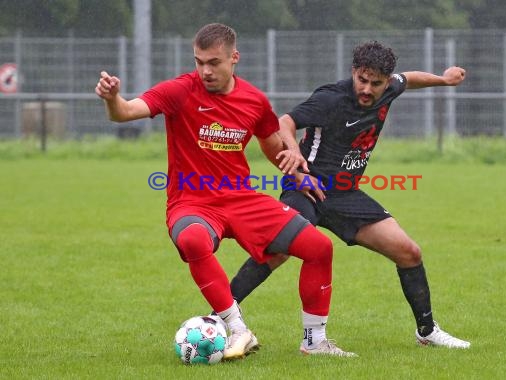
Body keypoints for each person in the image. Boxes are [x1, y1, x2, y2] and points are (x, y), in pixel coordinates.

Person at [95, 23, 355, 358]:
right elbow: (125, 112)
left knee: (318, 247)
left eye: (213, 62)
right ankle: (238, 329)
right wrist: (112, 98)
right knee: (192, 240)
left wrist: (297, 170)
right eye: (199, 61)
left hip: (241, 198)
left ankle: (314, 341)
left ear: (234, 58)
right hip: (192, 200)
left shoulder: (254, 101)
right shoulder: (179, 91)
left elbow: (272, 145)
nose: (205, 70)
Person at [228, 40, 471, 349]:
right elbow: (285, 122)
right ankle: (220, 316)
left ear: (386, 81)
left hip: (345, 194)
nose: (367, 89)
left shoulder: (391, 87)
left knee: (409, 252)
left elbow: (409, 79)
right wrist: (293, 155)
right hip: (308, 188)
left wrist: (444, 79)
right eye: (362, 80)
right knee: (279, 250)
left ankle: (427, 331)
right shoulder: (331, 99)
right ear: (354, 72)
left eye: (376, 83)